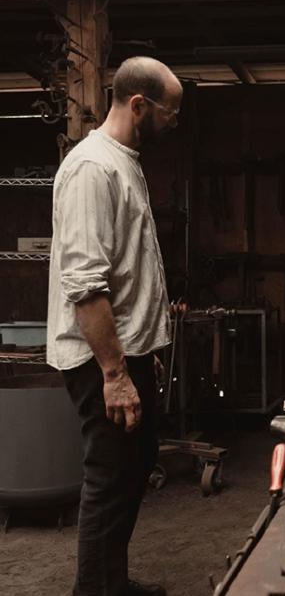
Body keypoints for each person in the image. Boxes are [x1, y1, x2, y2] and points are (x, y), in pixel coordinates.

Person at [47, 56, 183, 596]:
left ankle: (112, 582)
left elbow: (126, 267)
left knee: (134, 467)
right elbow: (85, 283)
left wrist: (144, 345)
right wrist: (114, 373)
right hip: (99, 361)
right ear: (138, 105)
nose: (174, 122)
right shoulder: (92, 168)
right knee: (108, 480)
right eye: (170, 112)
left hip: (127, 354)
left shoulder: (124, 160)